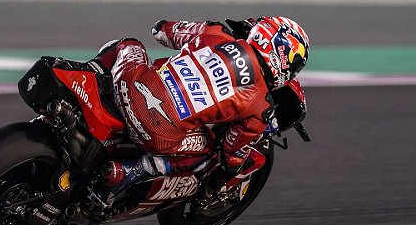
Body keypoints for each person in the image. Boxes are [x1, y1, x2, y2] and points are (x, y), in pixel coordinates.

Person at [93, 16, 309, 195]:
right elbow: (232, 154)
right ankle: (131, 170)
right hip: (156, 133)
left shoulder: (216, 34)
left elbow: (162, 32)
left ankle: (87, 76)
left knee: (129, 44)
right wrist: (229, 170)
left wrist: (165, 26)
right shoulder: (260, 106)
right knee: (210, 152)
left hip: (130, 88)